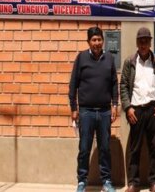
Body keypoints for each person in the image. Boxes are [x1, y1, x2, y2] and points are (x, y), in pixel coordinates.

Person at [69, 27, 119, 192]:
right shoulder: (81, 58)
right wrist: (74, 108)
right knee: (84, 148)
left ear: (102, 41)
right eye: (94, 40)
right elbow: (73, 84)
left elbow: (113, 84)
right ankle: (82, 181)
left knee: (105, 149)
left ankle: (106, 182)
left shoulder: (109, 58)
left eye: (99, 39)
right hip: (86, 112)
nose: (97, 43)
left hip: (104, 112)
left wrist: (114, 105)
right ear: (89, 42)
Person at [120, 27, 155, 192]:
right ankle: (133, 182)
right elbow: (124, 86)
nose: (144, 44)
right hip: (136, 111)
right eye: (141, 41)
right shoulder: (129, 62)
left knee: (154, 148)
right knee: (135, 148)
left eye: (146, 41)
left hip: (153, 109)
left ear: (150, 42)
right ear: (137, 43)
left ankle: (154, 181)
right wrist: (127, 108)